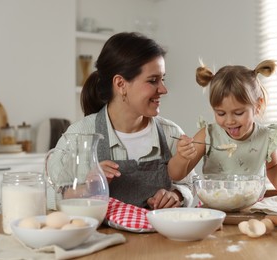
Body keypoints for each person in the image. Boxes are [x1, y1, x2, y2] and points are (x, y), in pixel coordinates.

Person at [49, 32, 196, 210]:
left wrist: (176, 195)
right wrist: (87, 187)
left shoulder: (171, 133)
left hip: (158, 238)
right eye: (153, 81)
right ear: (120, 84)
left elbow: (191, 184)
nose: (163, 89)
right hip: (102, 238)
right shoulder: (78, 136)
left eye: (162, 79)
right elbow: (50, 195)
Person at [172, 59, 277, 195]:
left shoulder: (265, 137)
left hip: (251, 208)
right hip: (215, 208)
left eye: (238, 113)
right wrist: (182, 157)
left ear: (257, 106)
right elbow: (176, 175)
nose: (229, 121)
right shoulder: (208, 135)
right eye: (220, 113)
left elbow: (273, 167)